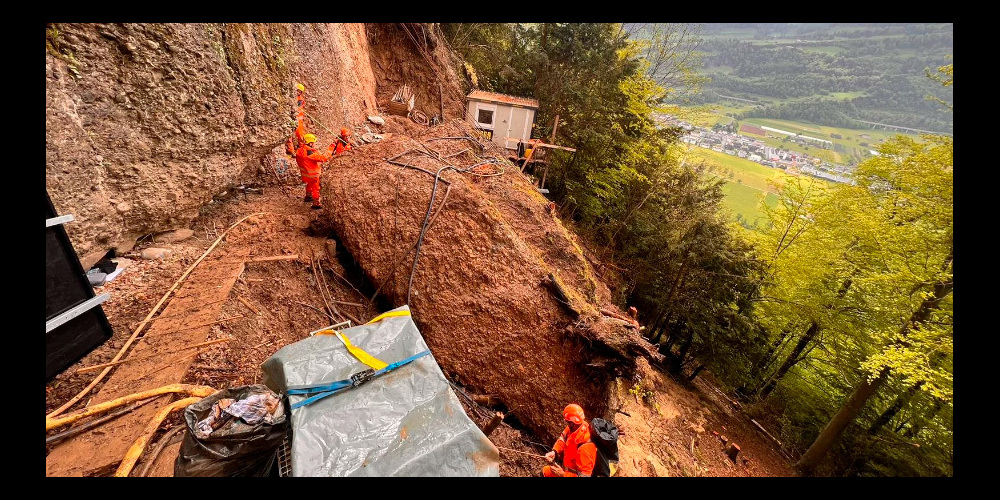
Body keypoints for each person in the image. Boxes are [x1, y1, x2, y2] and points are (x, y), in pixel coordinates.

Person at [542, 403, 597, 477]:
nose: (567, 424)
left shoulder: (585, 448)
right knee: (544, 472)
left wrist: (563, 475)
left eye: (567, 422)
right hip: (566, 472)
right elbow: (562, 439)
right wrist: (554, 451)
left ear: (572, 423)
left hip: (568, 475)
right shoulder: (574, 428)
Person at [295, 133, 336, 209]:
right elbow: (324, 158)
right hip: (313, 174)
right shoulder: (310, 154)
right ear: (310, 143)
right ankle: (316, 204)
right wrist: (332, 146)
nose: (314, 145)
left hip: (306, 173)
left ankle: (308, 196)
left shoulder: (300, 150)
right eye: (314, 143)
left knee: (310, 184)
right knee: (316, 188)